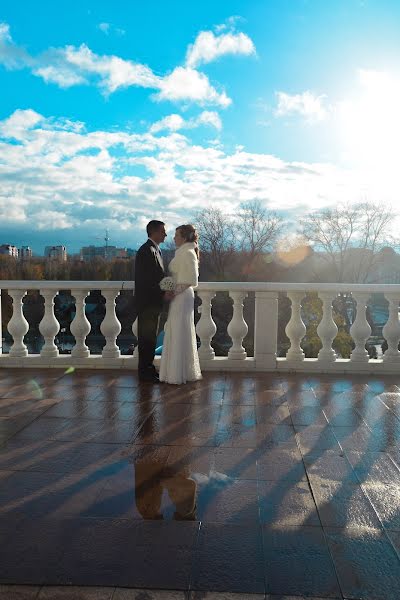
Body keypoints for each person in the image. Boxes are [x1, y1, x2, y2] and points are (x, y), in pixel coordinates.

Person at [159, 224, 202, 385]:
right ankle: (175, 371)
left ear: (184, 238)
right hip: (180, 295)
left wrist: (172, 291)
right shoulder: (184, 252)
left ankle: (177, 373)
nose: (174, 238)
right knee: (176, 329)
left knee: (179, 330)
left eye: (176, 235)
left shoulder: (188, 253)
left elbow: (191, 280)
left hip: (182, 296)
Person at [135, 220, 167, 383]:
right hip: (147, 304)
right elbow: (146, 281)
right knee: (146, 339)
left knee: (151, 339)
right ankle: (144, 372)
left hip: (153, 304)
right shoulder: (146, 251)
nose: (165, 234)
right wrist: (163, 293)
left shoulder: (155, 250)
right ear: (154, 232)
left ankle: (148, 368)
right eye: (163, 231)